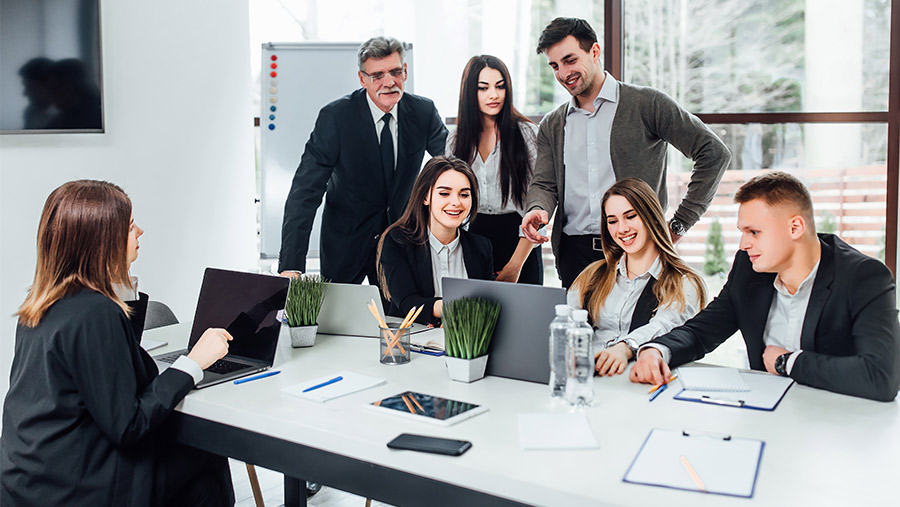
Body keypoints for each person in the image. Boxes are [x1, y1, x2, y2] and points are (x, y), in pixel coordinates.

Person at [1, 180, 236, 506]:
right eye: (129, 226)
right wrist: (193, 363)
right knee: (209, 458)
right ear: (102, 242)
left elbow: (116, 367)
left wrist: (118, 284)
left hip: (32, 478)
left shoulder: (44, 302)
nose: (140, 231)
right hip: (75, 487)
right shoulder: (94, 312)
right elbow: (129, 424)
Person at [631, 171, 900, 402]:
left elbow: (881, 377)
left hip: (838, 428)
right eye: (742, 232)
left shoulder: (864, 277)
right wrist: (657, 350)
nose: (743, 244)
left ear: (795, 227)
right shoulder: (749, 270)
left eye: (754, 232)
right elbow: (702, 331)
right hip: (765, 415)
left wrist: (788, 362)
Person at [520, 17, 731, 288]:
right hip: (575, 256)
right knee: (578, 331)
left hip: (636, 248)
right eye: (554, 66)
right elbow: (545, 184)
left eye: (570, 60)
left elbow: (713, 153)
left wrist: (678, 225)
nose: (563, 73)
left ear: (595, 52)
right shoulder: (553, 123)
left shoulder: (647, 104)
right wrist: (537, 208)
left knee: (642, 331)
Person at [279, 36, 448, 287]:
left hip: (400, 241)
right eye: (377, 75)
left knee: (402, 323)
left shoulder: (423, 112)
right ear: (362, 79)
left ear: (405, 71)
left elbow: (451, 168)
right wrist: (291, 264)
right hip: (345, 243)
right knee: (338, 324)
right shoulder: (336, 118)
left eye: (395, 72)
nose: (389, 82)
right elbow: (306, 191)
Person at [567, 178, 706, 376]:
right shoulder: (593, 275)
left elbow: (664, 326)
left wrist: (624, 348)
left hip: (639, 379)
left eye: (630, 216)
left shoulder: (682, 283)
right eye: (613, 221)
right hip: (588, 377)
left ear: (651, 216)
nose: (621, 229)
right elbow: (567, 324)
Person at [448, 55, 543, 285]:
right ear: (470, 92)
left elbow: (537, 203)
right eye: (484, 88)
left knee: (524, 318)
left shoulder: (527, 133)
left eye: (500, 86)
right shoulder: (456, 139)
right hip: (474, 240)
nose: (494, 95)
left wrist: (515, 265)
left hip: (520, 241)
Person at [377, 156, 493, 326]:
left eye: (464, 194)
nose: (456, 202)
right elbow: (408, 303)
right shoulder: (397, 241)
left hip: (466, 348)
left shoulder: (481, 247)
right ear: (425, 197)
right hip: (414, 344)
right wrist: (458, 307)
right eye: (444, 193)